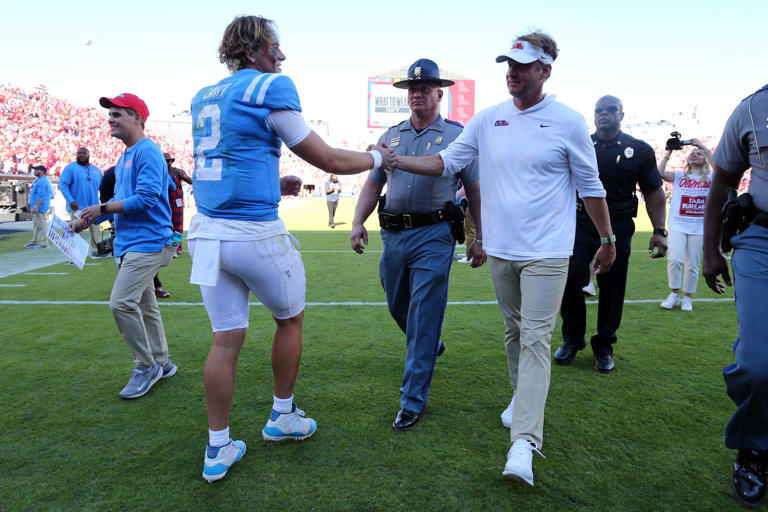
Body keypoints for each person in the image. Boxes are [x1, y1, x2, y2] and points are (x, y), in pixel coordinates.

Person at [389, 32, 615, 486]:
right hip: (502, 250)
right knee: (514, 332)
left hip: (548, 251)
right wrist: (394, 160)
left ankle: (524, 445)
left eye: (522, 65)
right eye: (507, 64)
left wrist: (607, 238)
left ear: (544, 71)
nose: (511, 72)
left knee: (535, 339)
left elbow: (591, 187)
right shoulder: (488, 120)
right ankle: (520, 397)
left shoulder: (568, 122)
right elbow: (444, 163)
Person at [190, 15, 394, 483]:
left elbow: (226, 160)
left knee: (225, 340)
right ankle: (282, 416)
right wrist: (382, 157)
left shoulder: (205, 96)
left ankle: (217, 447)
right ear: (251, 51)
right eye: (273, 48)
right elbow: (328, 159)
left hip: (207, 234)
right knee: (290, 319)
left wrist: (273, 182)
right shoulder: (267, 88)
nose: (281, 57)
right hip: (253, 235)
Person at [350, 58, 483, 432]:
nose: (418, 94)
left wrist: (479, 238)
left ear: (440, 93)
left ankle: (411, 401)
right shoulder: (390, 135)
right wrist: (358, 221)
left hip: (434, 235)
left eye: (425, 89)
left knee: (424, 313)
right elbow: (374, 184)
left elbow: (474, 189)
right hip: (393, 234)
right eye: (413, 89)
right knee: (397, 303)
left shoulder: (458, 135)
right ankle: (429, 344)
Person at [72, 92, 177, 400]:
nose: (111, 118)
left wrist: (101, 210)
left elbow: (145, 200)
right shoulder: (127, 154)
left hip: (148, 242)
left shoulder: (146, 152)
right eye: (110, 114)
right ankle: (162, 361)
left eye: (118, 113)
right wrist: (85, 220)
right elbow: (120, 204)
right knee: (146, 306)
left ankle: (146, 367)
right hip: (132, 242)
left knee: (120, 303)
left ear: (138, 118)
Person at [556, 95, 668, 373]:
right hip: (580, 223)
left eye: (610, 110)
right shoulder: (580, 145)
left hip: (619, 224)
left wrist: (659, 230)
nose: (604, 114)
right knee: (569, 280)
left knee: (612, 287)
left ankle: (604, 345)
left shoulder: (638, 149)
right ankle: (572, 338)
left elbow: (653, 190)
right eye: (599, 110)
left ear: (621, 114)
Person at [702, 84, 768, 508]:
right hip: (761, 239)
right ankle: (755, 447)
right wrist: (710, 250)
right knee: (759, 364)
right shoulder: (752, 107)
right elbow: (722, 178)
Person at [658, 139, 713, 311]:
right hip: (678, 224)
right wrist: (668, 153)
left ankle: (687, 297)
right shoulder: (680, 176)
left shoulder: (711, 178)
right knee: (674, 259)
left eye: (698, 154)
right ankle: (674, 294)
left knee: (693, 263)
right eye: (692, 154)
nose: (695, 155)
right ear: (687, 160)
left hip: (699, 226)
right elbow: (659, 173)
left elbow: (721, 171)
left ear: (704, 158)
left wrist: (702, 147)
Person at [153, 153, 193, 299]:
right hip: (165, 204)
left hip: (177, 202)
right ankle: (170, 248)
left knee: (178, 228)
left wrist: (185, 176)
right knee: (167, 229)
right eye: (165, 160)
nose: (168, 162)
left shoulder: (177, 172)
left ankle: (176, 247)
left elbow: (191, 181)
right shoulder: (159, 171)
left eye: (169, 160)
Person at [59, 147, 103, 255]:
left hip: (93, 207)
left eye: (84, 153)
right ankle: (72, 254)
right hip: (77, 207)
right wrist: (70, 200)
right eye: (79, 153)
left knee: (95, 230)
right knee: (74, 230)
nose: (82, 155)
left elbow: (103, 187)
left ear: (89, 155)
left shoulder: (96, 170)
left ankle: (96, 251)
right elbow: (63, 185)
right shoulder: (70, 168)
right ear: (76, 155)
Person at [25, 164, 52, 248]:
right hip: (37, 206)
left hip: (40, 206)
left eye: (36, 169)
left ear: (42, 171)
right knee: (36, 224)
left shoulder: (42, 181)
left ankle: (44, 242)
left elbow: (41, 195)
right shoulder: (39, 180)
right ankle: (35, 240)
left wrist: (36, 206)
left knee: (42, 224)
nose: (34, 171)